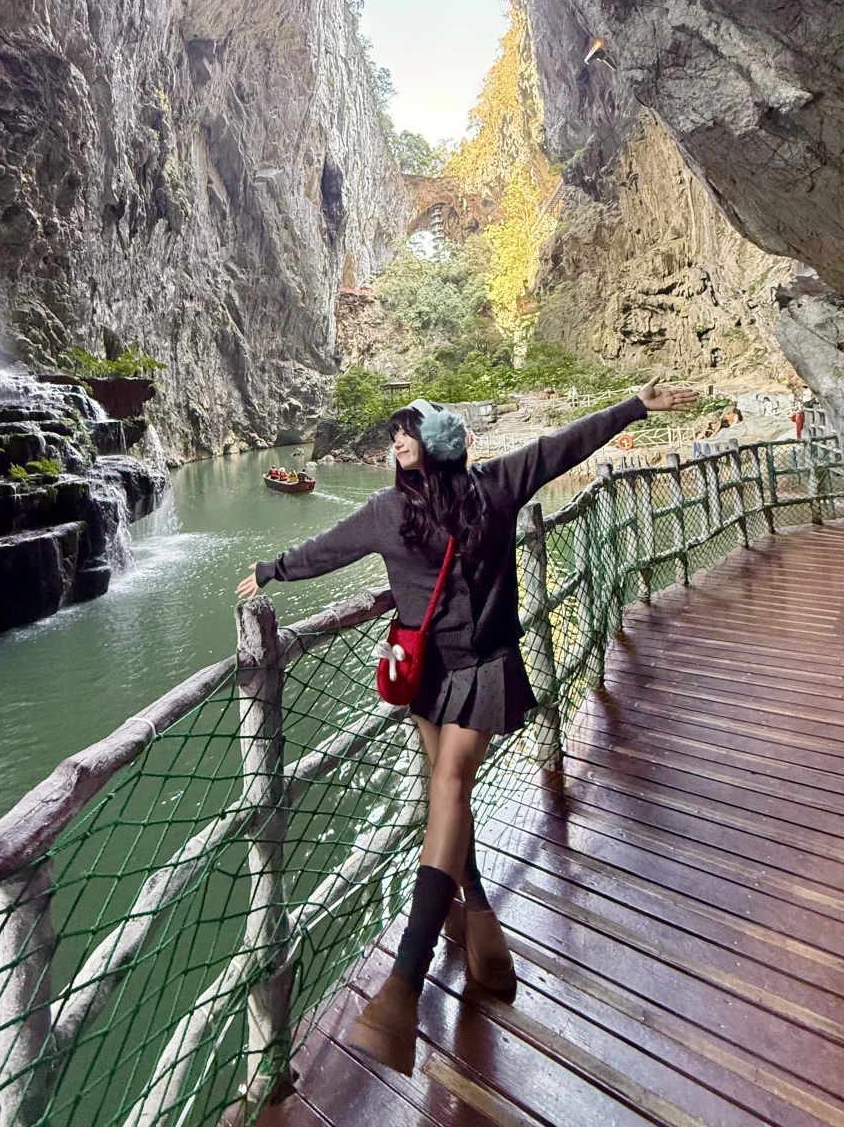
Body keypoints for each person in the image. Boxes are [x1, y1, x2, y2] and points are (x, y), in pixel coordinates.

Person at [236, 378, 698, 1074]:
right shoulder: (454, 496)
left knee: (448, 789)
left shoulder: (435, 498)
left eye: (408, 432)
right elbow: (327, 550)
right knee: (446, 795)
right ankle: (476, 913)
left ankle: (404, 984)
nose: (397, 441)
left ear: (436, 444)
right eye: (394, 432)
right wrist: (270, 570)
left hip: (464, 670)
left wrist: (634, 407)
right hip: (444, 672)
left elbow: (564, 443)